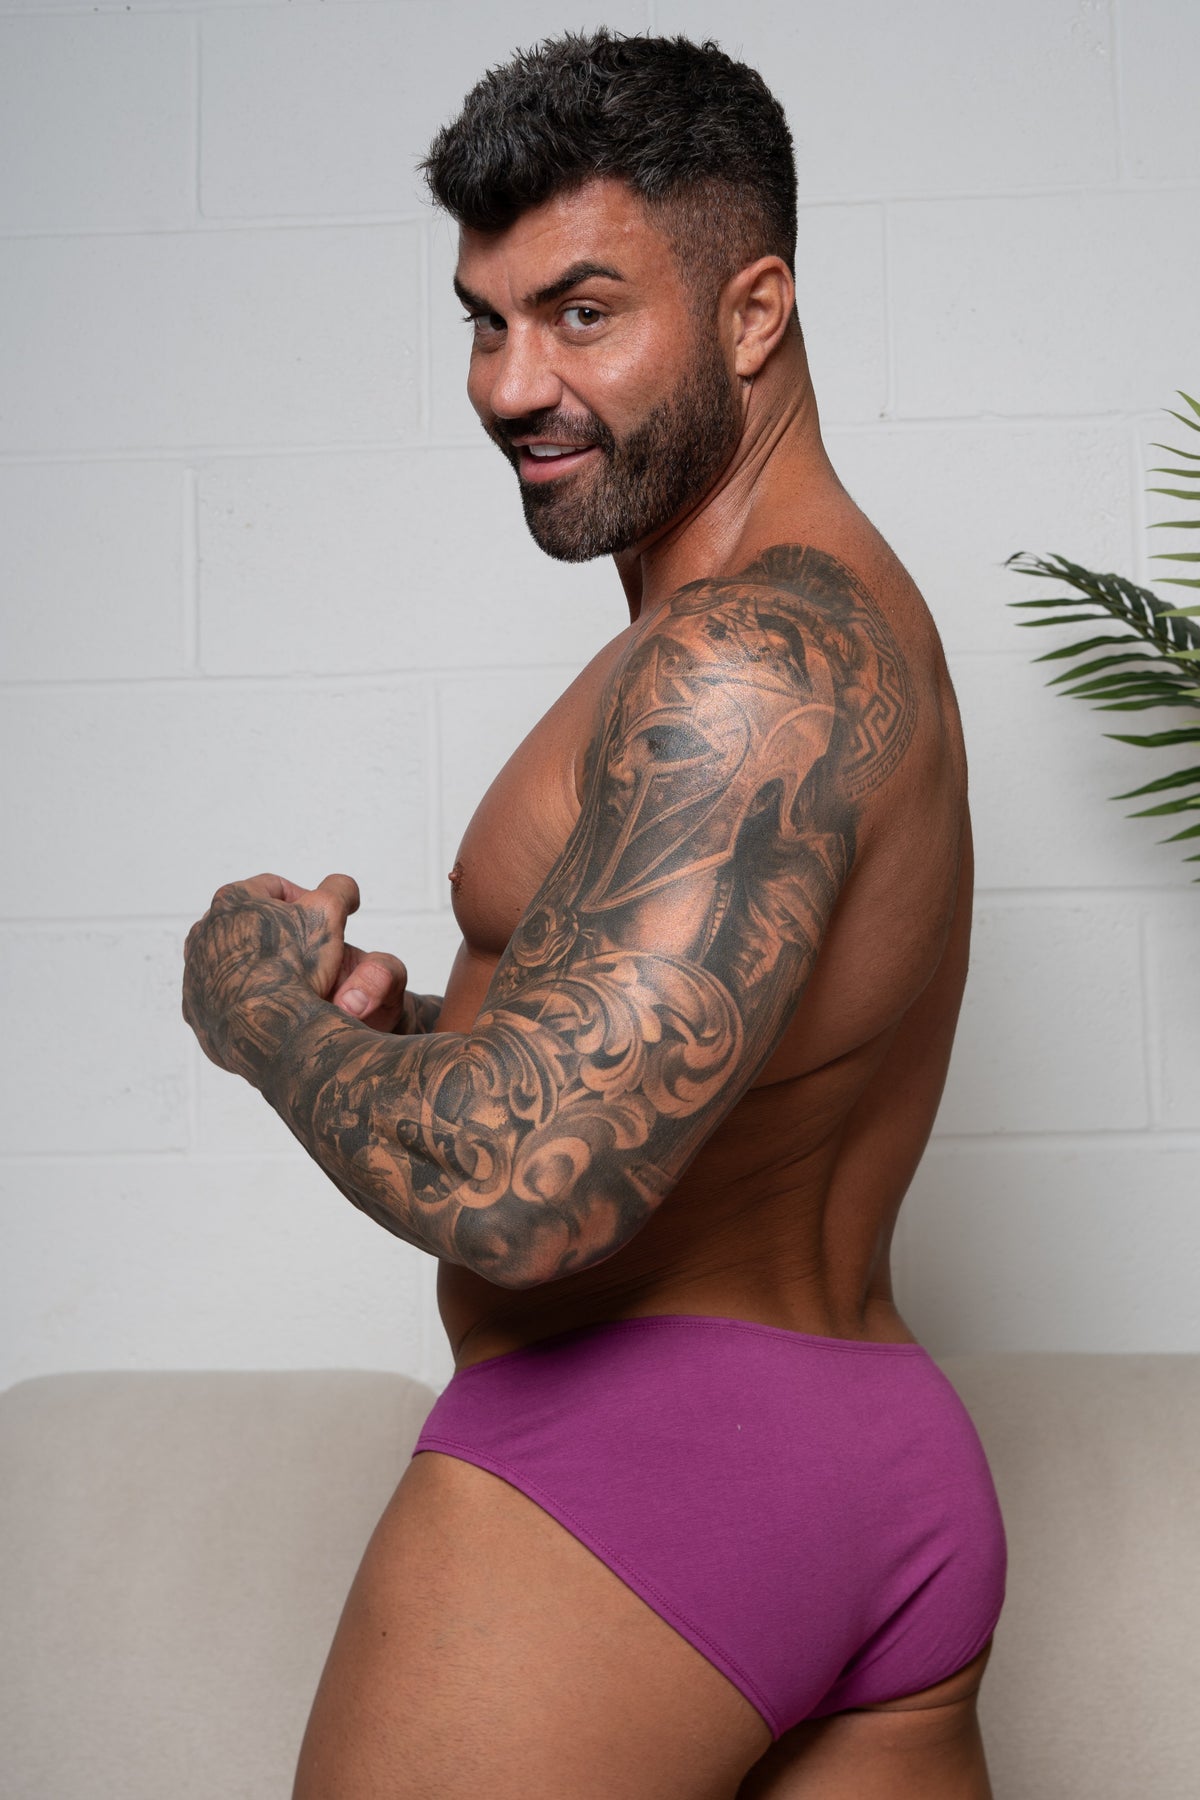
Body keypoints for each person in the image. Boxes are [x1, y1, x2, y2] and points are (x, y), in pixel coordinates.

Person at [182, 30, 1006, 1800]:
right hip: (866, 1463)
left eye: (581, 313)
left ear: (753, 312)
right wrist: (404, 1031)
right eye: (485, 322)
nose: (511, 384)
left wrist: (253, 1010)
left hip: (647, 1472)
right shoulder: (822, 624)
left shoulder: (748, 657)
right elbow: (681, 1062)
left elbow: (525, 1183)